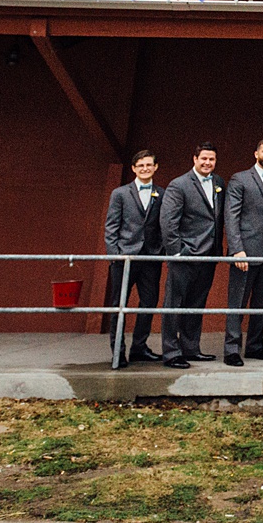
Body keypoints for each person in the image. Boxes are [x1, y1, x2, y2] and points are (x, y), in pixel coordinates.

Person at [159, 143, 224, 368]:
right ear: (194, 159)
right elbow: (168, 222)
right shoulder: (179, 185)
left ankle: (190, 348)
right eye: (204, 158)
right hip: (185, 255)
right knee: (174, 303)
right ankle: (171, 352)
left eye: (212, 159)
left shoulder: (218, 183)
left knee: (196, 303)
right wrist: (177, 251)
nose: (207, 163)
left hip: (209, 256)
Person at [223, 139, 263, 364]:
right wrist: (237, 249)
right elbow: (232, 216)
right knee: (237, 301)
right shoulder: (240, 178)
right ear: (255, 153)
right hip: (245, 251)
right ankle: (231, 350)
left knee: (262, 302)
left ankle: (255, 345)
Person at [103, 148, 164, 367]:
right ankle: (118, 352)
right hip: (125, 259)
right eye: (141, 166)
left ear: (155, 167)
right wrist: (114, 257)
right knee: (119, 305)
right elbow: (111, 227)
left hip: (151, 259)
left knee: (148, 304)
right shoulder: (120, 193)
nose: (145, 169)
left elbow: (164, 226)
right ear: (133, 169)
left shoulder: (162, 193)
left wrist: (161, 251)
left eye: (149, 165)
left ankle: (140, 347)